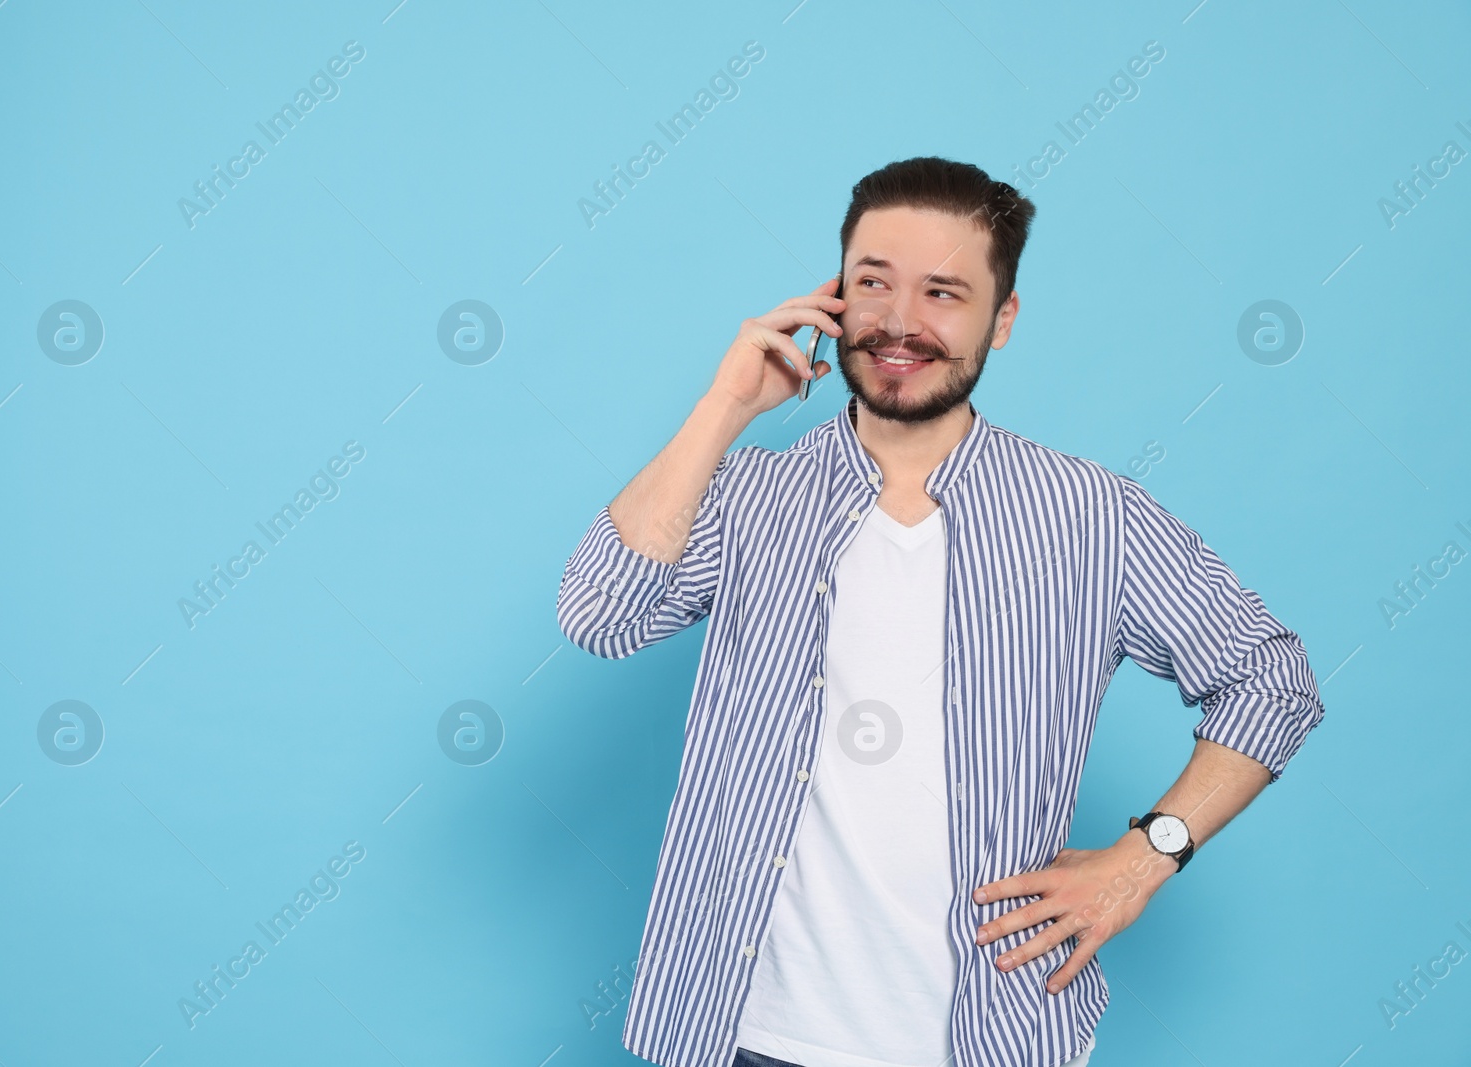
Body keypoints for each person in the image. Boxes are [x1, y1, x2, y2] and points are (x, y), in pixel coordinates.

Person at [556, 156, 1324, 1067]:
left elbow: (1272, 680)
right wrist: (725, 407)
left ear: (1002, 321)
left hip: (986, 1037)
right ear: (833, 295)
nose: (900, 322)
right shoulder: (747, 493)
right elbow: (601, 615)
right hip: (749, 1031)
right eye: (872, 281)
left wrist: (1146, 856)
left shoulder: (1088, 515)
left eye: (944, 292)